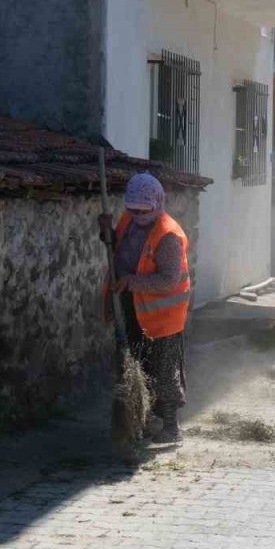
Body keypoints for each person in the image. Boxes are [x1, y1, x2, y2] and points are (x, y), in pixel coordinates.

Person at [100, 172, 192, 445]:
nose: (138, 214)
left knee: (163, 370)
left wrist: (132, 281)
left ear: (157, 203)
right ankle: (141, 420)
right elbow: (122, 249)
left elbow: (168, 280)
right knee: (138, 365)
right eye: (133, 209)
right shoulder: (129, 220)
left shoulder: (168, 236)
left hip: (163, 315)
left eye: (144, 210)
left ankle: (171, 427)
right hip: (134, 307)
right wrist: (107, 233)